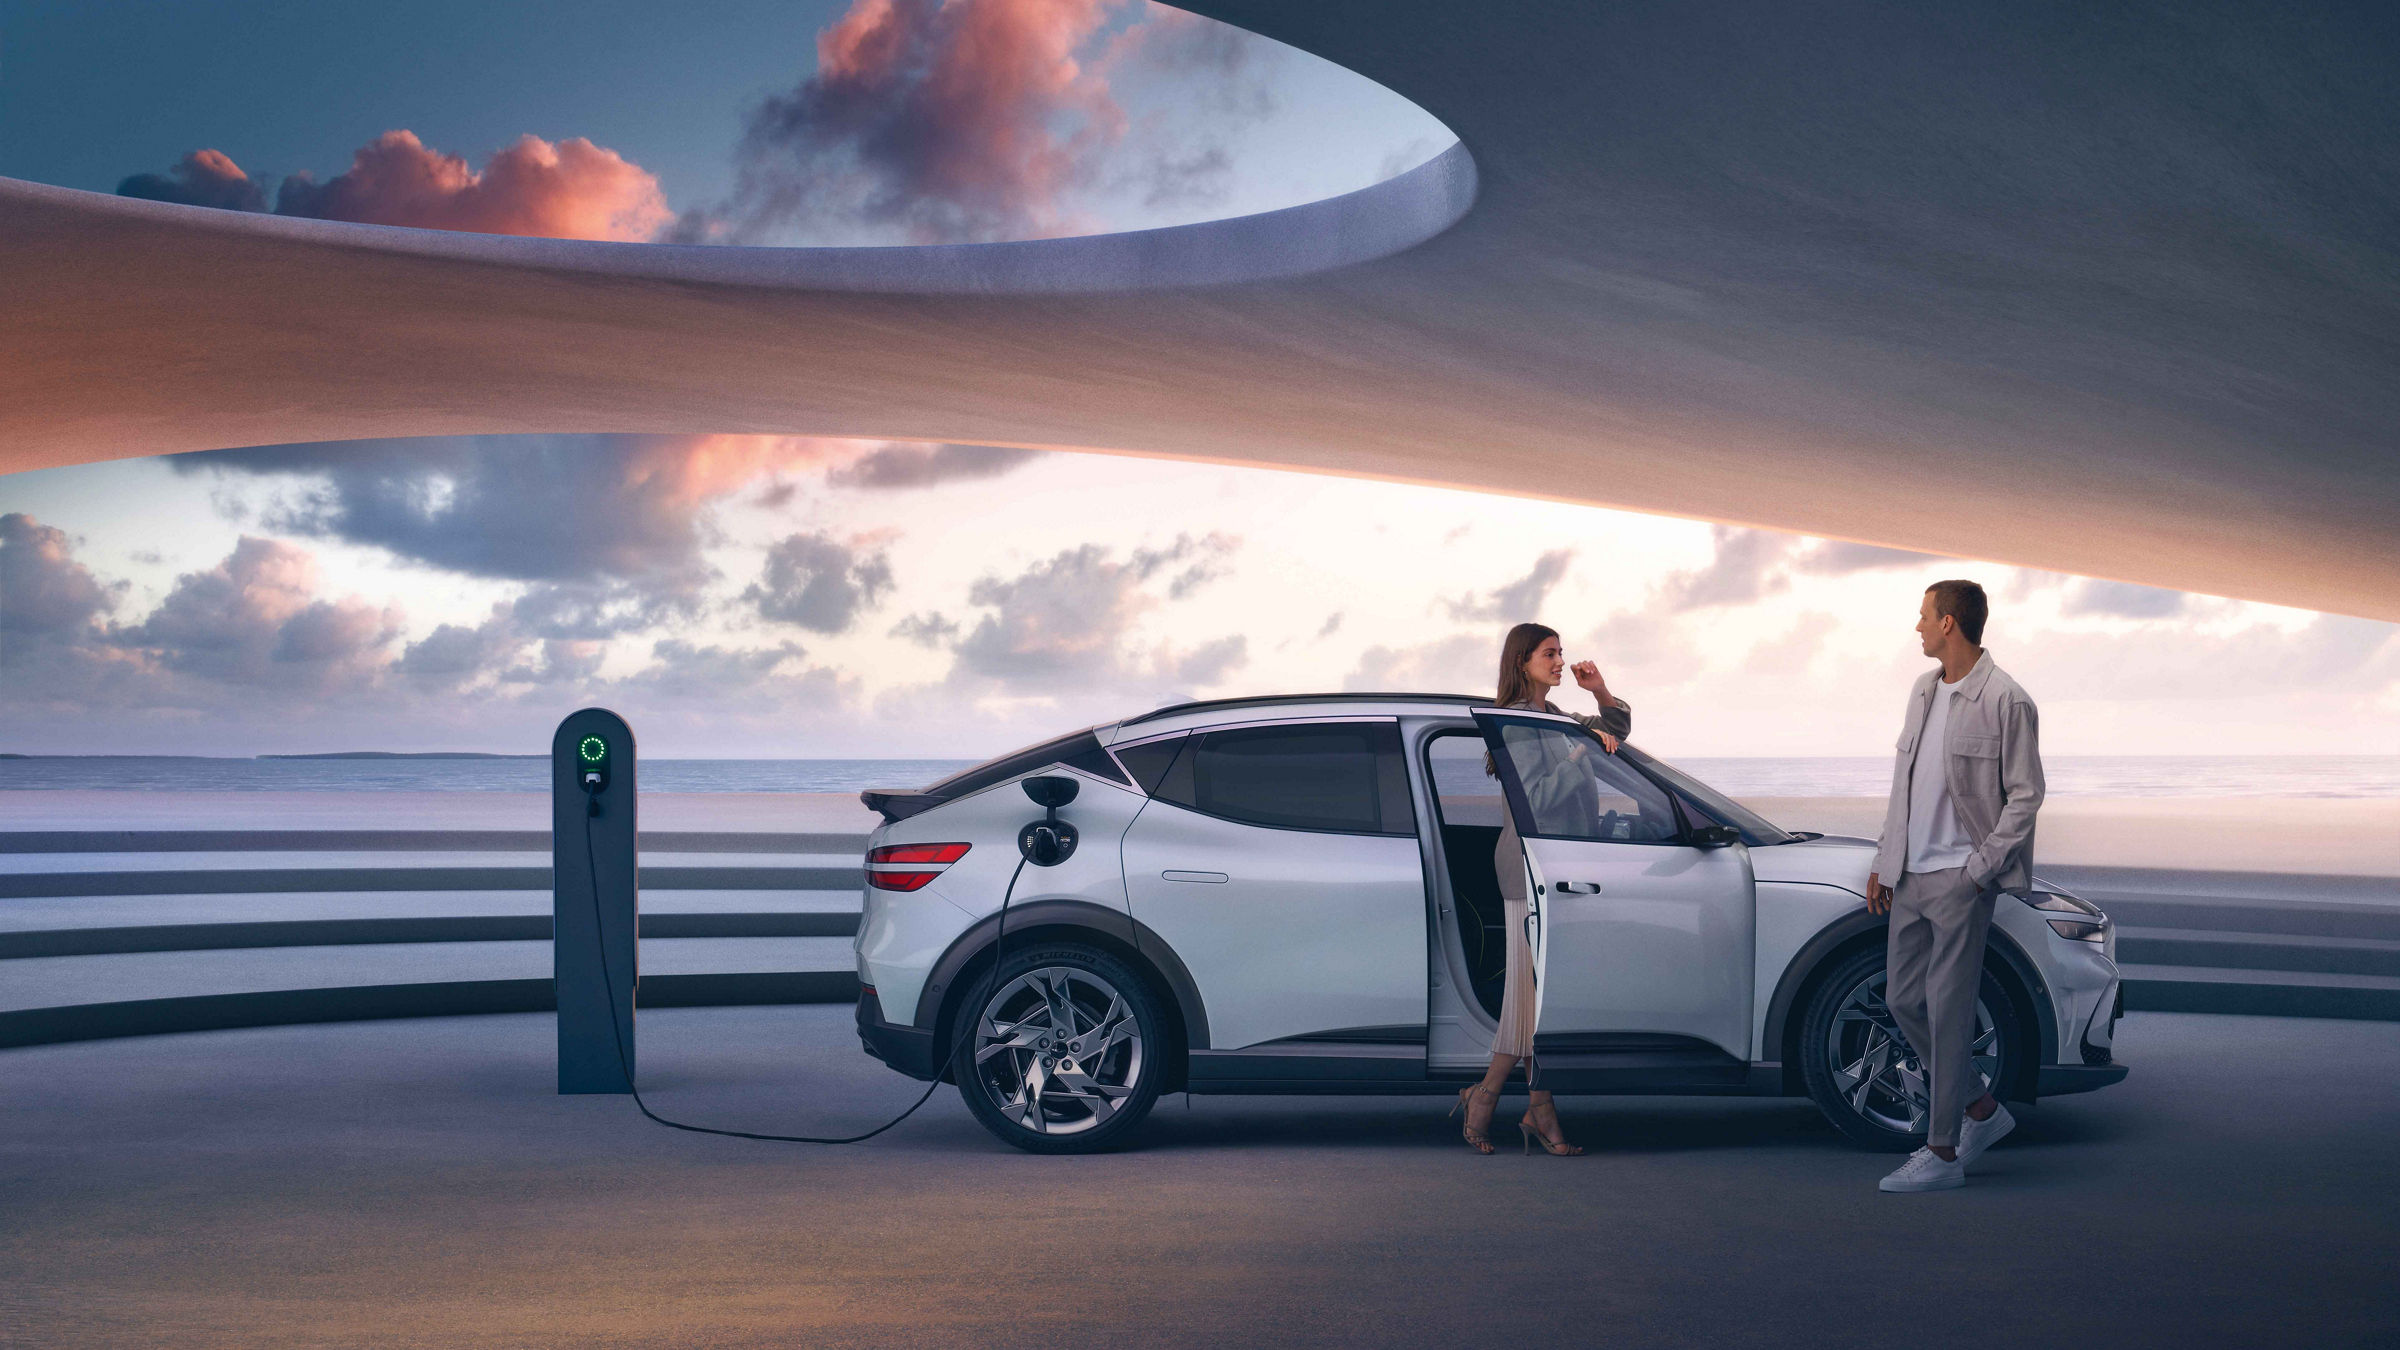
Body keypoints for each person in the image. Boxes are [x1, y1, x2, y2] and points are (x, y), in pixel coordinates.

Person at [1867, 580, 2045, 1193]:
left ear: (1949, 623)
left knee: (1947, 1012)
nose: (1916, 627)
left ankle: (1941, 1154)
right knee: (1901, 1000)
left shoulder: (2007, 701)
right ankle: (1981, 1110)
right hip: (1911, 875)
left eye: (1922, 616)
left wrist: (1980, 868)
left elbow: (2026, 795)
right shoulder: (1922, 692)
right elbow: (1904, 786)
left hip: (1961, 879)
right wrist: (1887, 863)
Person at [1453, 622, 1629, 1156]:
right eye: (1550, 654)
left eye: (1561, 653)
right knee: (1529, 1000)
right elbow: (1539, 798)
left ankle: (1519, 1104)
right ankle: (1505, 1101)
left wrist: (1597, 691)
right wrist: (1579, 755)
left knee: (1537, 1000)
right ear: (1522, 661)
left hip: (1560, 870)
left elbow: (1618, 728)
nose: (1560, 662)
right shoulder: (1516, 725)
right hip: (1529, 872)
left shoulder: (1554, 718)